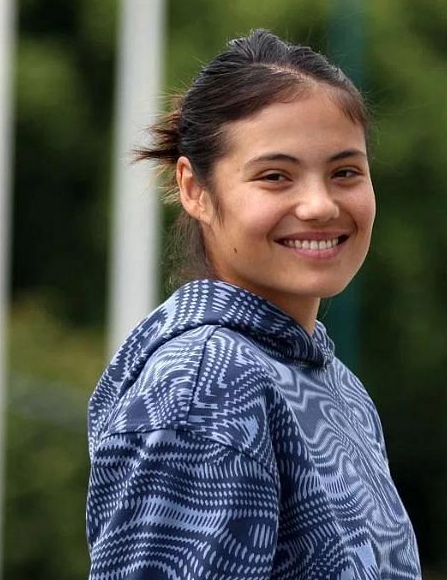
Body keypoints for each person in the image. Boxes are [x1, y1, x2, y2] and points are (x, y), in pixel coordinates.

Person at [86, 29, 421, 579]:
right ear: (194, 189)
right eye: (275, 176)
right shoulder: (204, 380)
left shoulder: (332, 382)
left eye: (345, 173)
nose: (319, 205)